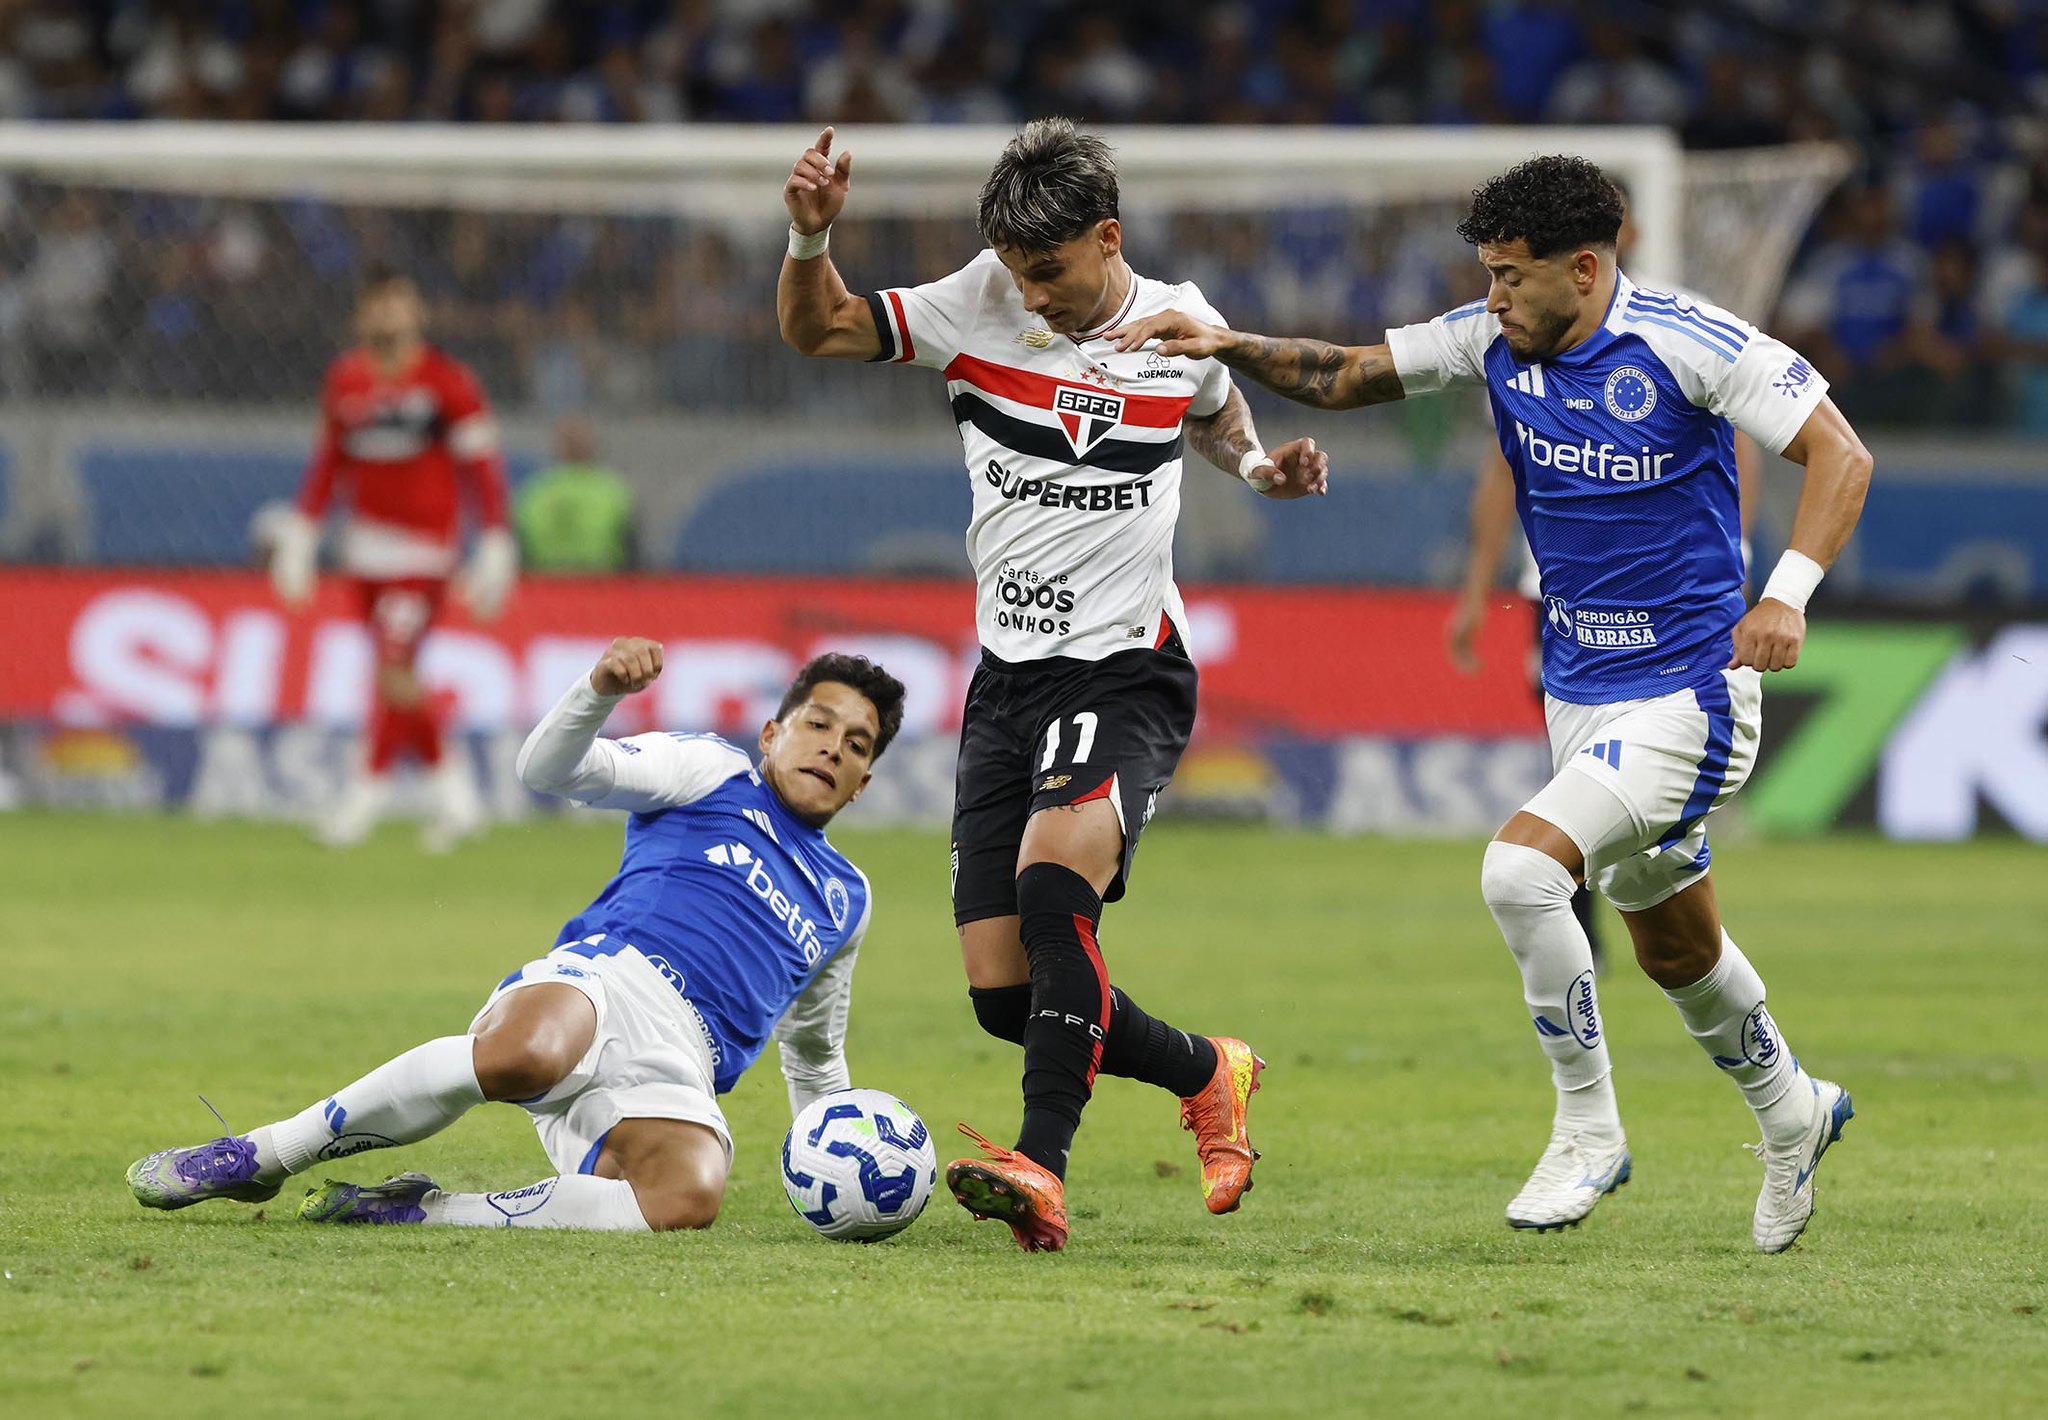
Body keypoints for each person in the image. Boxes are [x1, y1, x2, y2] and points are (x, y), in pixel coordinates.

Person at [1112, 156, 1872, 1252]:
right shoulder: (1489, 338)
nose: (1494, 295)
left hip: (1694, 691)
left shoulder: (1687, 342)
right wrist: (1226, 345)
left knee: (1518, 871)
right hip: (1579, 690)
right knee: (1672, 945)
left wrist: (1786, 595)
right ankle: (1792, 1109)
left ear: (1583, 268)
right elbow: (1347, 374)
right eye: (1488, 274)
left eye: (1513, 275)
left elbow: (1839, 452)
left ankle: (1587, 1129)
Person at [777, 119, 1328, 1252]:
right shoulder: (976, 303)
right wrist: (808, 237)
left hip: (1126, 665)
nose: (1030, 296)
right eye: (1016, 272)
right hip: (1008, 679)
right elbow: (817, 327)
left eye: (1049, 271)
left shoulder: (1181, 321)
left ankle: (1040, 1165)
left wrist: (1259, 468)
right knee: (1003, 996)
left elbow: (1218, 412)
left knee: (1050, 884)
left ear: (1106, 239)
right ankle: (1205, 1070)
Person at [128, 637, 907, 1233]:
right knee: (525, 1055)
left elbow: (813, 1056)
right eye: (818, 724)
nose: (832, 747)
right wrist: (596, 693)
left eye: (857, 744)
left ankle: (420, 1210)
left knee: (687, 1198)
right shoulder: (711, 772)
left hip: (683, 1066)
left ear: (863, 783)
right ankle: (263, 1155)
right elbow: (547, 772)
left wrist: (840, 1154)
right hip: (609, 982)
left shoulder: (847, 899)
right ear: (771, 734)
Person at [1446, 185, 1766, 975]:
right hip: (1560, 596)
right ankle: (1584, 910)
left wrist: (1738, 556)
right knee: (1577, 759)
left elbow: (1749, 440)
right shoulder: (1524, 332)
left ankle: (1603, 888)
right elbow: (1501, 467)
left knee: (1618, 782)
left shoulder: (1686, 328)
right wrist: (1477, 588)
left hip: (1674, 608)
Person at [269, 264, 517, 853]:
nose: (387, 314)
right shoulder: (345, 380)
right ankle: (457, 799)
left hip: (423, 554)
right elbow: (330, 463)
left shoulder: (447, 382)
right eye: (377, 304)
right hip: (365, 552)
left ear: (416, 311)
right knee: (394, 675)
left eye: (397, 303)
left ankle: (366, 795)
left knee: (395, 670)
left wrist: (495, 539)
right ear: (362, 314)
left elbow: (480, 467)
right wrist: (303, 533)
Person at [515, 412, 639, 572]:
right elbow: (632, 557)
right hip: (600, 581)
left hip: (546, 580)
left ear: (557, 447)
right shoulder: (614, 492)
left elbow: (520, 553)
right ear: (593, 445)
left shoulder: (533, 491)